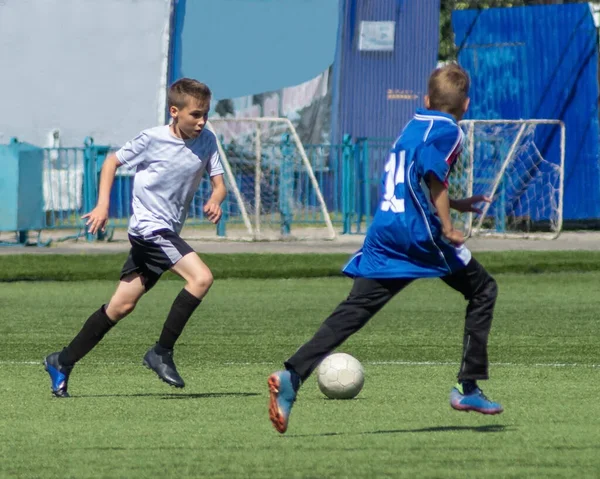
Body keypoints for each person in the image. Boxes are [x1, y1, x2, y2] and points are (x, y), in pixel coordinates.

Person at [268, 63, 503, 434]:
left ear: (426, 100)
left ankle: (292, 375)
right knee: (484, 289)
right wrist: (448, 225)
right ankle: (468, 387)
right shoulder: (449, 130)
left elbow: (413, 176)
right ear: (466, 105)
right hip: (417, 233)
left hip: (384, 230)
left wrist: (454, 204)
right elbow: (434, 177)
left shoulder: (413, 125)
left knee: (355, 309)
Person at [44, 78, 226, 397]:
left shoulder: (207, 140)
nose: (202, 121)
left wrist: (216, 199)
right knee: (201, 278)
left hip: (164, 232)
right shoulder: (152, 139)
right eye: (195, 114)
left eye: (205, 114)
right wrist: (102, 205)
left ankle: (62, 360)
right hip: (150, 230)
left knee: (120, 306)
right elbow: (112, 161)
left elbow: (219, 183)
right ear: (174, 111)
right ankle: (161, 352)